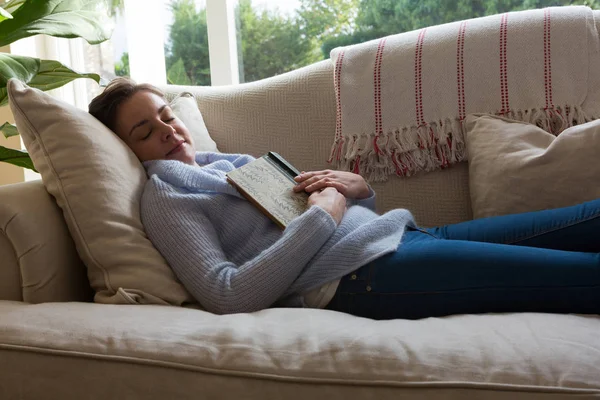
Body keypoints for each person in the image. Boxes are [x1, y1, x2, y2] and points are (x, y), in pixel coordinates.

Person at [89, 78, 600, 320]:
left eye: (164, 115)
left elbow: (328, 213)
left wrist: (359, 192)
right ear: (127, 150)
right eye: (142, 130)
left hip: (404, 237)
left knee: (589, 218)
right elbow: (227, 294)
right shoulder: (167, 198)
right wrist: (327, 214)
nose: (167, 130)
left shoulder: (229, 164)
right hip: (365, 277)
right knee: (582, 277)